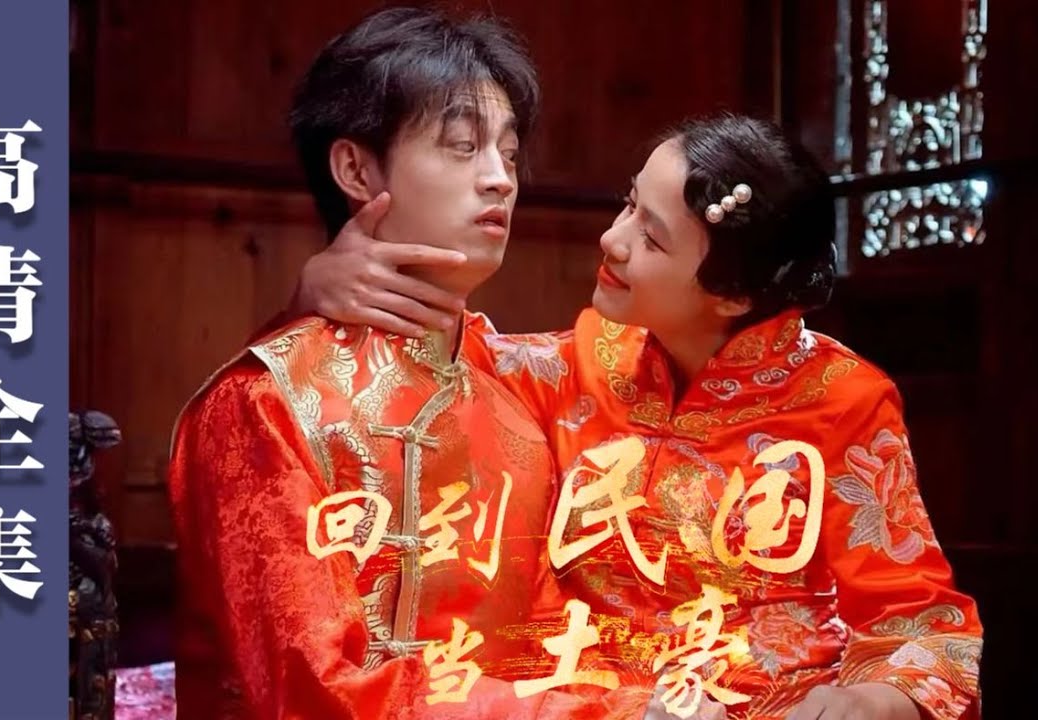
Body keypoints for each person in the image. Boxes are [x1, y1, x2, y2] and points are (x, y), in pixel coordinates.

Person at [288, 113, 986, 720]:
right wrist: (317, 292)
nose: (613, 241)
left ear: (734, 297)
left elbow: (919, 618)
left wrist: (878, 699)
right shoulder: (586, 360)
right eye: (628, 206)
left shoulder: (842, 399)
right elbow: (439, 359)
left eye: (651, 238)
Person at [167, 6, 665, 719]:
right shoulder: (265, 404)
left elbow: (553, 643)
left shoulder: (516, 391)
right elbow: (311, 687)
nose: (500, 180)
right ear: (355, 169)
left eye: (509, 154)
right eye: (462, 146)